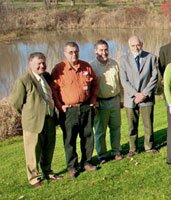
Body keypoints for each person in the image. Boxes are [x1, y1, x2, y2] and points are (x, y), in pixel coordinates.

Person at [10, 52, 63, 187]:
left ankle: (47, 171)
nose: (42, 65)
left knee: (48, 148)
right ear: (30, 64)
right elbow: (16, 104)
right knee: (32, 151)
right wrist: (30, 115)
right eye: (38, 63)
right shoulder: (23, 80)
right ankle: (34, 178)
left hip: (49, 120)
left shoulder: (46, 76)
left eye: (43, 62)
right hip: (33, 123)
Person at [51, 42, 98, 178]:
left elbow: (95, 83)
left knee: (88, 137)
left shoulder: (86, 66)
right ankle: (72, 167)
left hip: (86, 107)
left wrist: (93, 101)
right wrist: (60, 106)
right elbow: (53, 91)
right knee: (70, 139)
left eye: (76, 51)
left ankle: (87, 162)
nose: (74, 54)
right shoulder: (59, 69)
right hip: (69, 111)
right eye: (70, 52)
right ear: (65, 53)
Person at [119, 36, 158, 158]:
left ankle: (149, 146)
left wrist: (144, 94)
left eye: (138, 45)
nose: (136, 48)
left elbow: (154, 77)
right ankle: (133, 148)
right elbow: (123, 80)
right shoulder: (123, 60)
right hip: (131, 98)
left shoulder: (151, 57)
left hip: (147, 97)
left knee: (148, 124)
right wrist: (136, 94)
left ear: (142, 44)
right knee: (132, 126)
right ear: (129, 46)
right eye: (133, 45)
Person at [91, 39, 123, 163]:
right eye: (101, 50)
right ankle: (102, 155)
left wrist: (121, 99)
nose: (104, 53)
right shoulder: (92, 66)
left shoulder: (114, 63)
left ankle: (116, 151)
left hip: (115, 100)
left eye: (106, 50)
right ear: (95, 51)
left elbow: (119, 83)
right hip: (101, 102)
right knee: (100, 130)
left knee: (116, 127)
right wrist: (94, 102)